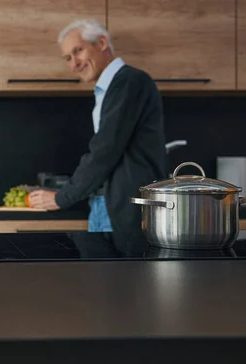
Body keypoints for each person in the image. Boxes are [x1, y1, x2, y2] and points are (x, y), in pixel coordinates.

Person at [29, 19, 166, 250]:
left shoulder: (129, 82)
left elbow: (105, 149)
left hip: (127, 207)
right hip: (108, 204)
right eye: (68, 58)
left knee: (124, 283)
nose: (74, 64)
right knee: (107, 284)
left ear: (102, 42)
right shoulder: (112, 87)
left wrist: (61, 197)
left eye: (78, 51)